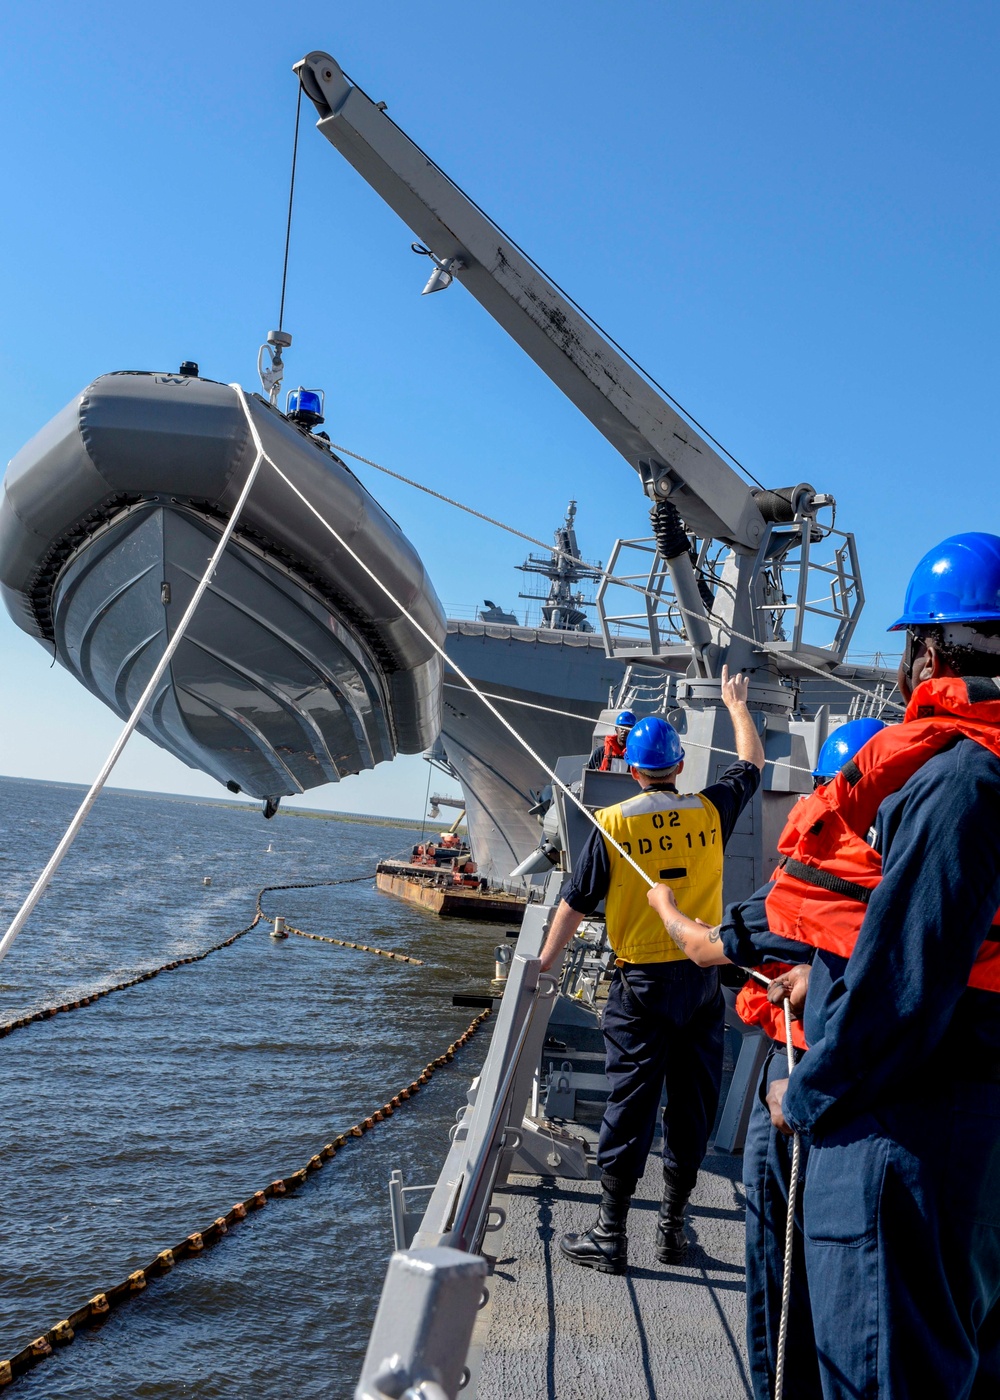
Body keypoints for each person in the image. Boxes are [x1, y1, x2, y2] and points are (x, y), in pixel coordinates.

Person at [758, 531, 1000, 1397]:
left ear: (926, 651)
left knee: (878, 1371)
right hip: (964, 1122)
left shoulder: (959, 782)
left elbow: (903, 984)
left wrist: (808, 1093)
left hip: (905, 1136)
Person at [644, 716, 885, 1400]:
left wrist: (664, 905)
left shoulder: (817, 869)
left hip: (802, 1085)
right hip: (899, 1096)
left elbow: (702, 948)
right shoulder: (932, 851)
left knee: (779, 1265)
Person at [538, 666, 764, 1274]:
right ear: (679, 767)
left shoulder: (614, 825)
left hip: (639, 987)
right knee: (692, 1106)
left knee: (630, 1104)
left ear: (632, 769)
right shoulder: (709, 813)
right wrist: (736, 707)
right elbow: (751, 767)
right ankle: (673, 1228)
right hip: (700, 982)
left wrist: (545, 966)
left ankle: (611, 1235)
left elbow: (573, 903)